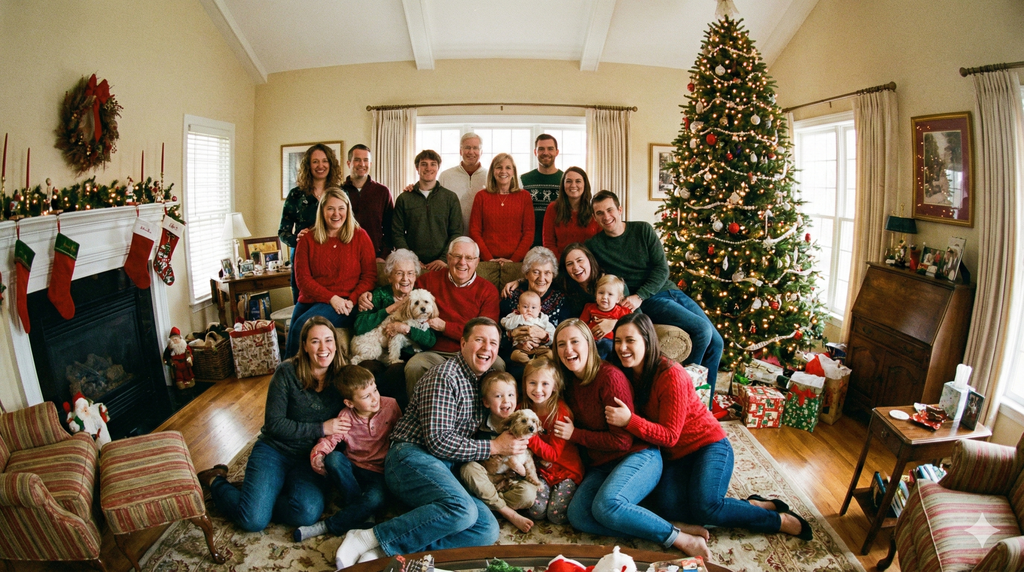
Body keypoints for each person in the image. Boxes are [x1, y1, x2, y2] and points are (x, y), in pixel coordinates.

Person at [334, 318, 529, 568]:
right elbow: (438, 442)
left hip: (446, 468)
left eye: (493, 343)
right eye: (479, 340)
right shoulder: (445, 376)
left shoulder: (486, 383)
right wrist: (496, 447)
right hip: (410, 457)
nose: (486, 348)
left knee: (485, 529)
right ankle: (367, 537)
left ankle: (387, 551)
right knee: (463, 509)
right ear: (463, 343)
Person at [605, 313, 811, 541]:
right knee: (669, 509)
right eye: (618, 341)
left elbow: (670, 436)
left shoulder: (671, 374)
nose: (622, 347)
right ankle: (752, 505)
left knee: (707, 507)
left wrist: (629, 420)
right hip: (676, 457)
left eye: (630, 340)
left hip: (709, 445)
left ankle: (778, 520)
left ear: (647, 341)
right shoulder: (626, 373)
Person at [550, 319, 710, 558]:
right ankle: (663, 525)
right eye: (561, 344)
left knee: (606, 506)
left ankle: (681, 539)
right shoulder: (568, 381)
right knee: (578, 516)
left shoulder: (610, 377)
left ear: (589, 344)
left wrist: (576, 434)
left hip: (638, 455)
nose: (568, 349)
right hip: (603, 463)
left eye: (575, 341)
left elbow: (622, 442)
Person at [197, 317, 346, 532]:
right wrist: (321, 428)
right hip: (275, 450)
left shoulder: (343, 377)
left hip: (309, 459)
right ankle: (215, 481)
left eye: (328, 340)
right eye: (315, 341)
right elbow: (274, 424)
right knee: (253, 521)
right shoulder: (286, 372)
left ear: (336, 344)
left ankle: (258, 496)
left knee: (307, 512)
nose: (323, 348)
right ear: (304, 346)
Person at [587, 190, 723, 394]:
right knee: (702, 330)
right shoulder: (595, 246)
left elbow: (662, 268)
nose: (606, 216)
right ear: (594, 217)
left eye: (610, 210)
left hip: (666, 291)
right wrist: (636, 299)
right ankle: (686, 393)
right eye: (599, 213)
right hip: (650, 301)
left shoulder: (642, 229)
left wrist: (640, 294)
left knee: (717, 342)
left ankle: (705, 403)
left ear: (619, 209)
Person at [296, 365, 402, 541]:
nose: (375, 398)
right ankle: (362, 510)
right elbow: (330, 440)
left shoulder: (390, 406)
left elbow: (403, 432)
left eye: (375, 390)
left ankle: (327, 525)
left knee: (375, 499)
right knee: (333, 459)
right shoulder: (346, 416)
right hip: (354, 469)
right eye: (366, 396)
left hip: (379, 472)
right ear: (350, 403)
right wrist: (319, 454)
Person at [286, 188, 377, 359]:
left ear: (348, 210)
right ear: (322, 211)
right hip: (311, 300)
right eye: (330, 209)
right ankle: (289, 373)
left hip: (346, 303)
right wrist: (331, 298)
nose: (336, 214)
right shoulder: (307, 239)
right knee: (293, 334)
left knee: (303, 327)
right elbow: (303, 280)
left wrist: (352, 300)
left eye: (341, 208)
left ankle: (298, 374)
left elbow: (369, 276)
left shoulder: (360, 236)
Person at [404, 237, 502, 394]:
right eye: (457, 256)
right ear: (448, 258)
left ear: (477, 262)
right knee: (415, 366)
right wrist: (368, 296)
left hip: (473, 351)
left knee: (497, 365)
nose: (462, 262)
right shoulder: (427, 281)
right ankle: (418, 409)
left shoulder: (488, 291)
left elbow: (487, 333)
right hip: (434, 351)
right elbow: (405, 300)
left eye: (469, 258)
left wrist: (445, 327)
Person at [459, 371, 539, 533]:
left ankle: (488, 504)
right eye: (498, 396)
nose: (506, 401)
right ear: (486, 402)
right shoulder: (479, 426)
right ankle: (506, 512)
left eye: (510, 395)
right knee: (468, 469)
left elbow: (527, 462)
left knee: (528, 494)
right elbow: (473, 457)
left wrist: (520, 469)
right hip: (488, 477)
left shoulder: (523, 425)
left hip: (510, 480)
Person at [354, 248, 434, 409]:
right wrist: (390, 309)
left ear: (415, 276)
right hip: (376, 351)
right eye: (399, 273)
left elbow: (430, 340)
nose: (405, 279)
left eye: (410, 273)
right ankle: (372, 414)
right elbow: (359, 326)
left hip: (405, 356)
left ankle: (393, 414)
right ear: (389, 276)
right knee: (366, 368)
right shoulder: (377, 295)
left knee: (396, 371)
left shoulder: (421, 299)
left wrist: (405, 329)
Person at [522, 356, 583, 525]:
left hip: (566, 471)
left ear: (555, 386)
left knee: (555, 515)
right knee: (536, 511)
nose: (538, 389)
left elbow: (553, 455)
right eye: (532, 383)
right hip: (542, 471)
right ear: (525, 383)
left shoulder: (560, 412)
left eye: (545, 384)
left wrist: (529, 435)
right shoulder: (524, 409)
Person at [279, 144, 343, 302]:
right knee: (303, 302)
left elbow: (348, 226)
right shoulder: (296, 195)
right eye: (315, 161)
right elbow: (283, 232)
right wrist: (296, 239)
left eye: (324, 161)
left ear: (331, 164)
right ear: (308, 165)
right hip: (304, 258)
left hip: (334, 257)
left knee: (332, 303)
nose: (320, 166)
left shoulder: (340, 193)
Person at [392, 149, 463, 271]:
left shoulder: (450, 198)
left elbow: (456, 232)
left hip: (442, 265)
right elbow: (397, 233)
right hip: (412, 265)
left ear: (438, 167)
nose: (428, 168)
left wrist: (444, 259)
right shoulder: (404, 198)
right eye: (424, 164)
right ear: (417, 168)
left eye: (433, 164)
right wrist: (410, 259)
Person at [468, 153, 534, 262]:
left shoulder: (524, 196)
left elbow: (529, 233)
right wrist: (489, 259)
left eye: (508, 168)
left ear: (513, 172)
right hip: (486, 261)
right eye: (499, 167)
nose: (503, 171)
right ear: (492, 171)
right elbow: (474, 231)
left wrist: (514, 260)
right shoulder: (481, 196)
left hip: (517, 262)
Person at [342, 144, 394, 261]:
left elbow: (390, 228)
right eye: (357, 160)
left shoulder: (382, 192)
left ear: (370, 164)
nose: (362, 164)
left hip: (375, 257)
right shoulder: (338, 192)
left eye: (366, 160)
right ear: (349, 163)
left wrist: (383, 256)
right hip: (345, 256)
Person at [543, 166, 601, 258]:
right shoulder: (553, 208)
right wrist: (564, 262)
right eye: (569, 181)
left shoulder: (595, 209)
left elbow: (601, 244)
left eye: (578, 181)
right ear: (563, 185)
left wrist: (587, 263)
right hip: (560, 262)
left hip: (589, 263)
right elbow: (549, 243)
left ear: (585, 184)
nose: (573, 185)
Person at [521, 134, 563, 247]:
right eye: (541, 149)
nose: (545, 152)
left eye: (550, 149)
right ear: (535, 152)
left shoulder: (566, 181)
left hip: (558, 244)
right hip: (529, 245)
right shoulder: (523, 180)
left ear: (557, 152)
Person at [439, 132, 488, 229]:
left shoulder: (490, 176)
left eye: (475, 148)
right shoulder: (446, 176)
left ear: (481, 152)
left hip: (483, 233)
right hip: (453, 234)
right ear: (460, 151)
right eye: (467, 147)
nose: (471, 152)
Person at [579, 274, 631, 360]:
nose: (604, 297)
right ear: (596, 294)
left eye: (610, 294)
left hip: (609, 343)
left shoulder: (622, 311)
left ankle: (600, 364)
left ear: (618, 299)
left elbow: (632, 323)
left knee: (608, 346)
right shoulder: (589, 308)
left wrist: (616, 323)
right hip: (590, 341)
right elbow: (581, 324)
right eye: (601, 293)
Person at [500, 290, 555, 364]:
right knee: (515, 356)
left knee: (550, 354)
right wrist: (520, 318)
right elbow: (504, 323)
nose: (529, 310)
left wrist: (545, 336)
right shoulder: (515, 316)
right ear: (518, 307)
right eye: (525, 307)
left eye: (533, 307)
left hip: (539, 347)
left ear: (539, 309)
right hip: (520, 348)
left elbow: (553, 333)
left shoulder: (543, 319)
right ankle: (529, 364)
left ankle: (539, 364)